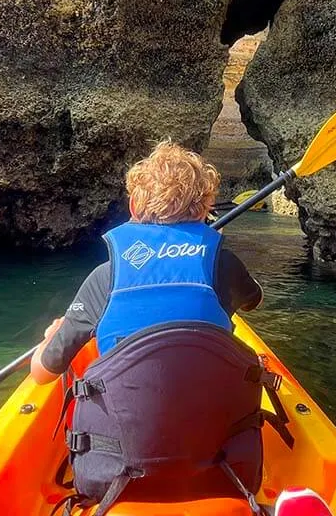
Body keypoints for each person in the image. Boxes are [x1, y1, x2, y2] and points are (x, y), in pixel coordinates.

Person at [30, 140, 287, 515]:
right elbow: (253, 301)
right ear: (205, 210)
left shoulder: (105, 278)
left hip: (114, 477)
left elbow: (41, 374)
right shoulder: (223, 266)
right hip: (225, 469)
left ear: (134, 207)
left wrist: (53, 337)